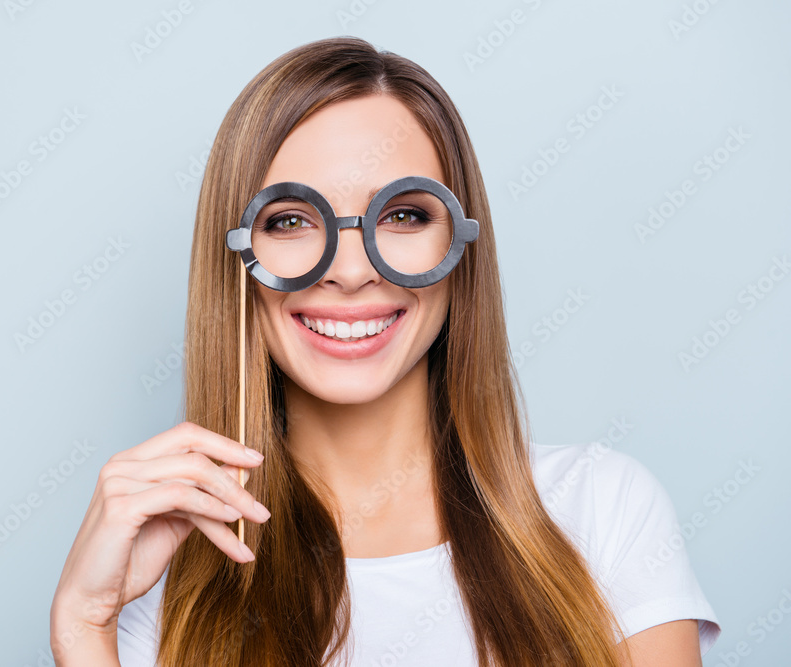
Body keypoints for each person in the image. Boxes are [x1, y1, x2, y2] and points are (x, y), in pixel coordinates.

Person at [49, 36, 721, 666]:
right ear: (238, 264)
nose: (347, 269)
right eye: (289, 221)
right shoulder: (164, 572)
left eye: (401, 215)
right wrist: (84, 621)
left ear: (459, 247)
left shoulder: (599, 509)